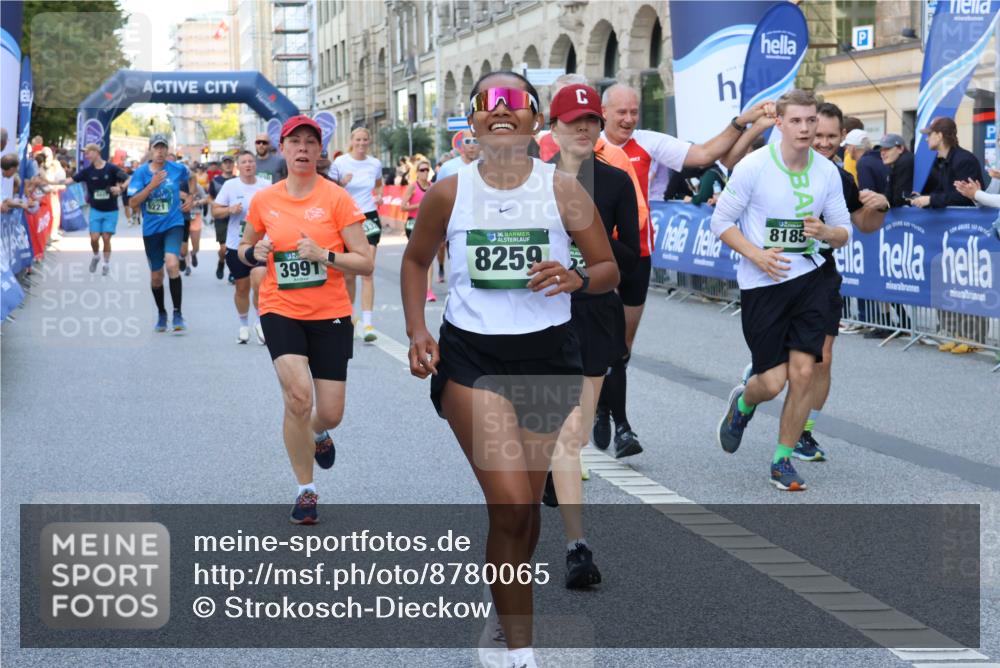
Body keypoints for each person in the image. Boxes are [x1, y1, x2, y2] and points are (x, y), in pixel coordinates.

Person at [402, 70, 619, 668]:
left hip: (548, 355)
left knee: (525, 510)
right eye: (487, 103)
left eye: (514, 102)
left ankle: (506, 611)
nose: (501, 110)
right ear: (471, 120)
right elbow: (417, 261)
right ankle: (519, 650)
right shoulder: (449, 191)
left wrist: (575, 277)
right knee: (511, 505)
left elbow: (607, 270)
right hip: (472, 358)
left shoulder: (563, 189)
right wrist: (419, 331)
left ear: (535, 119)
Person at [595, 83, 775, 457]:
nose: (628, 119)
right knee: (607, 340)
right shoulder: (589, 144)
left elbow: (704, 154)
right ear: (604, 111)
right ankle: (623, 428)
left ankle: (601, 405)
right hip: (596, 253)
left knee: (623, 347)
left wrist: (743, 122)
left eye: (634, 112)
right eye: (620, 113)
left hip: (636, 253)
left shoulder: (647, 142)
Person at [710, 89, 852, 492]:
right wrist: (757, 255)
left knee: (805, 371)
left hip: (811, 278)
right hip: (764, 283)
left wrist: (827, 232)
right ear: (780, 124)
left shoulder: (826, 172)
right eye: (797, 121)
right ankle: (744, 402)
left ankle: (782, 459)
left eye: (811, 122)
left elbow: (845, 230)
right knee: (771, 383)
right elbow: (720, 222)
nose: (805, 129)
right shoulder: (755, 166)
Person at [239, 115, 373, 524]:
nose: (301, 148)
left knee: (329, 412)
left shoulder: (337, 199)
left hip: (330, 313)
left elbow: (365, 262)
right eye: (294, 141)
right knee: (298, 397)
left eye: (309, 143)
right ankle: (306, 490)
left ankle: (318, 431)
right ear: (283, 149)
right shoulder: (264, 200)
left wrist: (325, 256)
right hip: (281, 309)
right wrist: (253, 253)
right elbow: (243, 247)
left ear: (319, 151)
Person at [541, 83, 640, 589]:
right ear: (552, 128)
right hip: (542, 315)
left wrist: (589, 250)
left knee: (574, 434)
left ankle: (555, 480)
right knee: (562, 432)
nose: (582, 129)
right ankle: (577, 547)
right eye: (571, 121)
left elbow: (628, 259)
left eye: (590, 121)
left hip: (595, 310)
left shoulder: (618, 183)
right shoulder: (530, 184)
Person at [797, 102, 890, 461]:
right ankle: (750, 392)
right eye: (817, 134)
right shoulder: (777, 168)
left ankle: (805, 432)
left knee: (823, 358)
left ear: (841, 137)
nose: (823, 143)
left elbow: (864, 225)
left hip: (822, 274)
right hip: (777, 276)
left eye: (831, 137)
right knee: (776, 370)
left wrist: (879, 206)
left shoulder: (841, 178)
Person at [127, 133, 196, 333]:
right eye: (156, 148)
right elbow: (132, 203)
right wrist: (151, 185)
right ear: (150, 150)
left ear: (168, 150)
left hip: (173, 224)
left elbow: (191, 177)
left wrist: (190, 197)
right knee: (156, 276)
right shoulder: (140, 174)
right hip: (151, 231)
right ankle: (161, 313)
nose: (160, 151)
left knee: (172, 263)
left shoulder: (177, 169)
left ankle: (177, 312)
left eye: (163, 147)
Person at [333, 127, 384, 342]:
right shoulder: (340, 163)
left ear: (369, 142)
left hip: (369, 217)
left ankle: (369, 322)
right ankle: (349, 316)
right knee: (349, 274)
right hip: (346, 218)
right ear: (351, 140)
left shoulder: (375, 163)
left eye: (365, 139)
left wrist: (379, 196)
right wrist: (341, 183)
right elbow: (328, 188)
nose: (362, 143)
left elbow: (379, 185)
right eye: (358, 139)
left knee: (368, 271)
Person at [213, 151, 269, 344]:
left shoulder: (265, 186)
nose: (248, 165)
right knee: (242, 287)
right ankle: (243, 325)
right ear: (239, 166)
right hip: (236, 245)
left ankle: (260, 321)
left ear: (255, 165)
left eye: (251, 161)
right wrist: (229, 210)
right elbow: (215, 210)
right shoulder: (230, 186)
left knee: (260, 279)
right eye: (244, 162)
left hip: (260, 244)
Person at [61, 143, 128, 275]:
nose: (86, 155)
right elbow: (71, 180)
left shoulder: (111, 168)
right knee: (94, 238)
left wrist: (120, 188)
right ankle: (96, 256)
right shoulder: (87, 171)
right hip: (96, 210)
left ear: (96, 152)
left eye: (88, 152)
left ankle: (106, 263)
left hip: (111, 210)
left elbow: (128, 178)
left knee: (107, 238)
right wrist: (49, 182)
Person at [910, 116, 982, 208]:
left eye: (929, 134)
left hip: (966, 221)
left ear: (939, 136)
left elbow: (965, 197)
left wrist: (930, 199)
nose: (926, 139)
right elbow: (943, 192)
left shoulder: (964, 160)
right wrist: (923, 197)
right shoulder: (947, 160)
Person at [400, 158, 436, 301]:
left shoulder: (433, 186)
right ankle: (414, 287)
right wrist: (419, 205)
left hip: (428, 224)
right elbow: (403, 207)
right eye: (422, 170)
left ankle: (428, 290)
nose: (425, 173)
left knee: (429, 257)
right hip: (413, 223)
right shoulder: (412, 187)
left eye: (427, 170)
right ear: (417, 172)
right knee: (417, 257)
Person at [208, 155, 236, 280]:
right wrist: (216, 206)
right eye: (226, 162)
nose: (228, 165)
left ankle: (233, 272)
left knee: (235, 248)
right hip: (221, 218)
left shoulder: (238, 180)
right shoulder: (215, 181)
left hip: (236, 217)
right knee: (224, 249)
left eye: (230, 162)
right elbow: (210, 197)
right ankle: (221, 262)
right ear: (222, 165)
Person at [877, 134, 913, 208]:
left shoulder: (905, 162)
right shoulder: (894, 163)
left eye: (887, 149)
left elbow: (898, 199)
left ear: (900, 149)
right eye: (881, 149)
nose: (882, 153)